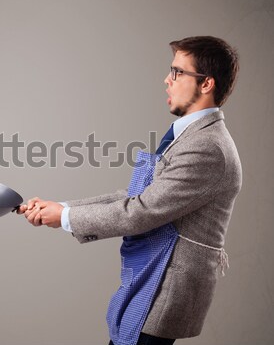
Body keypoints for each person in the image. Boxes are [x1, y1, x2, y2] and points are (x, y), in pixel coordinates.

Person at [17, 36, 242, 345]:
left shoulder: (207, 147)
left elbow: (142, 211)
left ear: (206, 84)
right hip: (150, 279)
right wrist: (63, 207)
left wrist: (67, 217)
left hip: (163, 287)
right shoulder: (192, 137)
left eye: (178, 72)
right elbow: (136, 196)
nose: (167, 80)